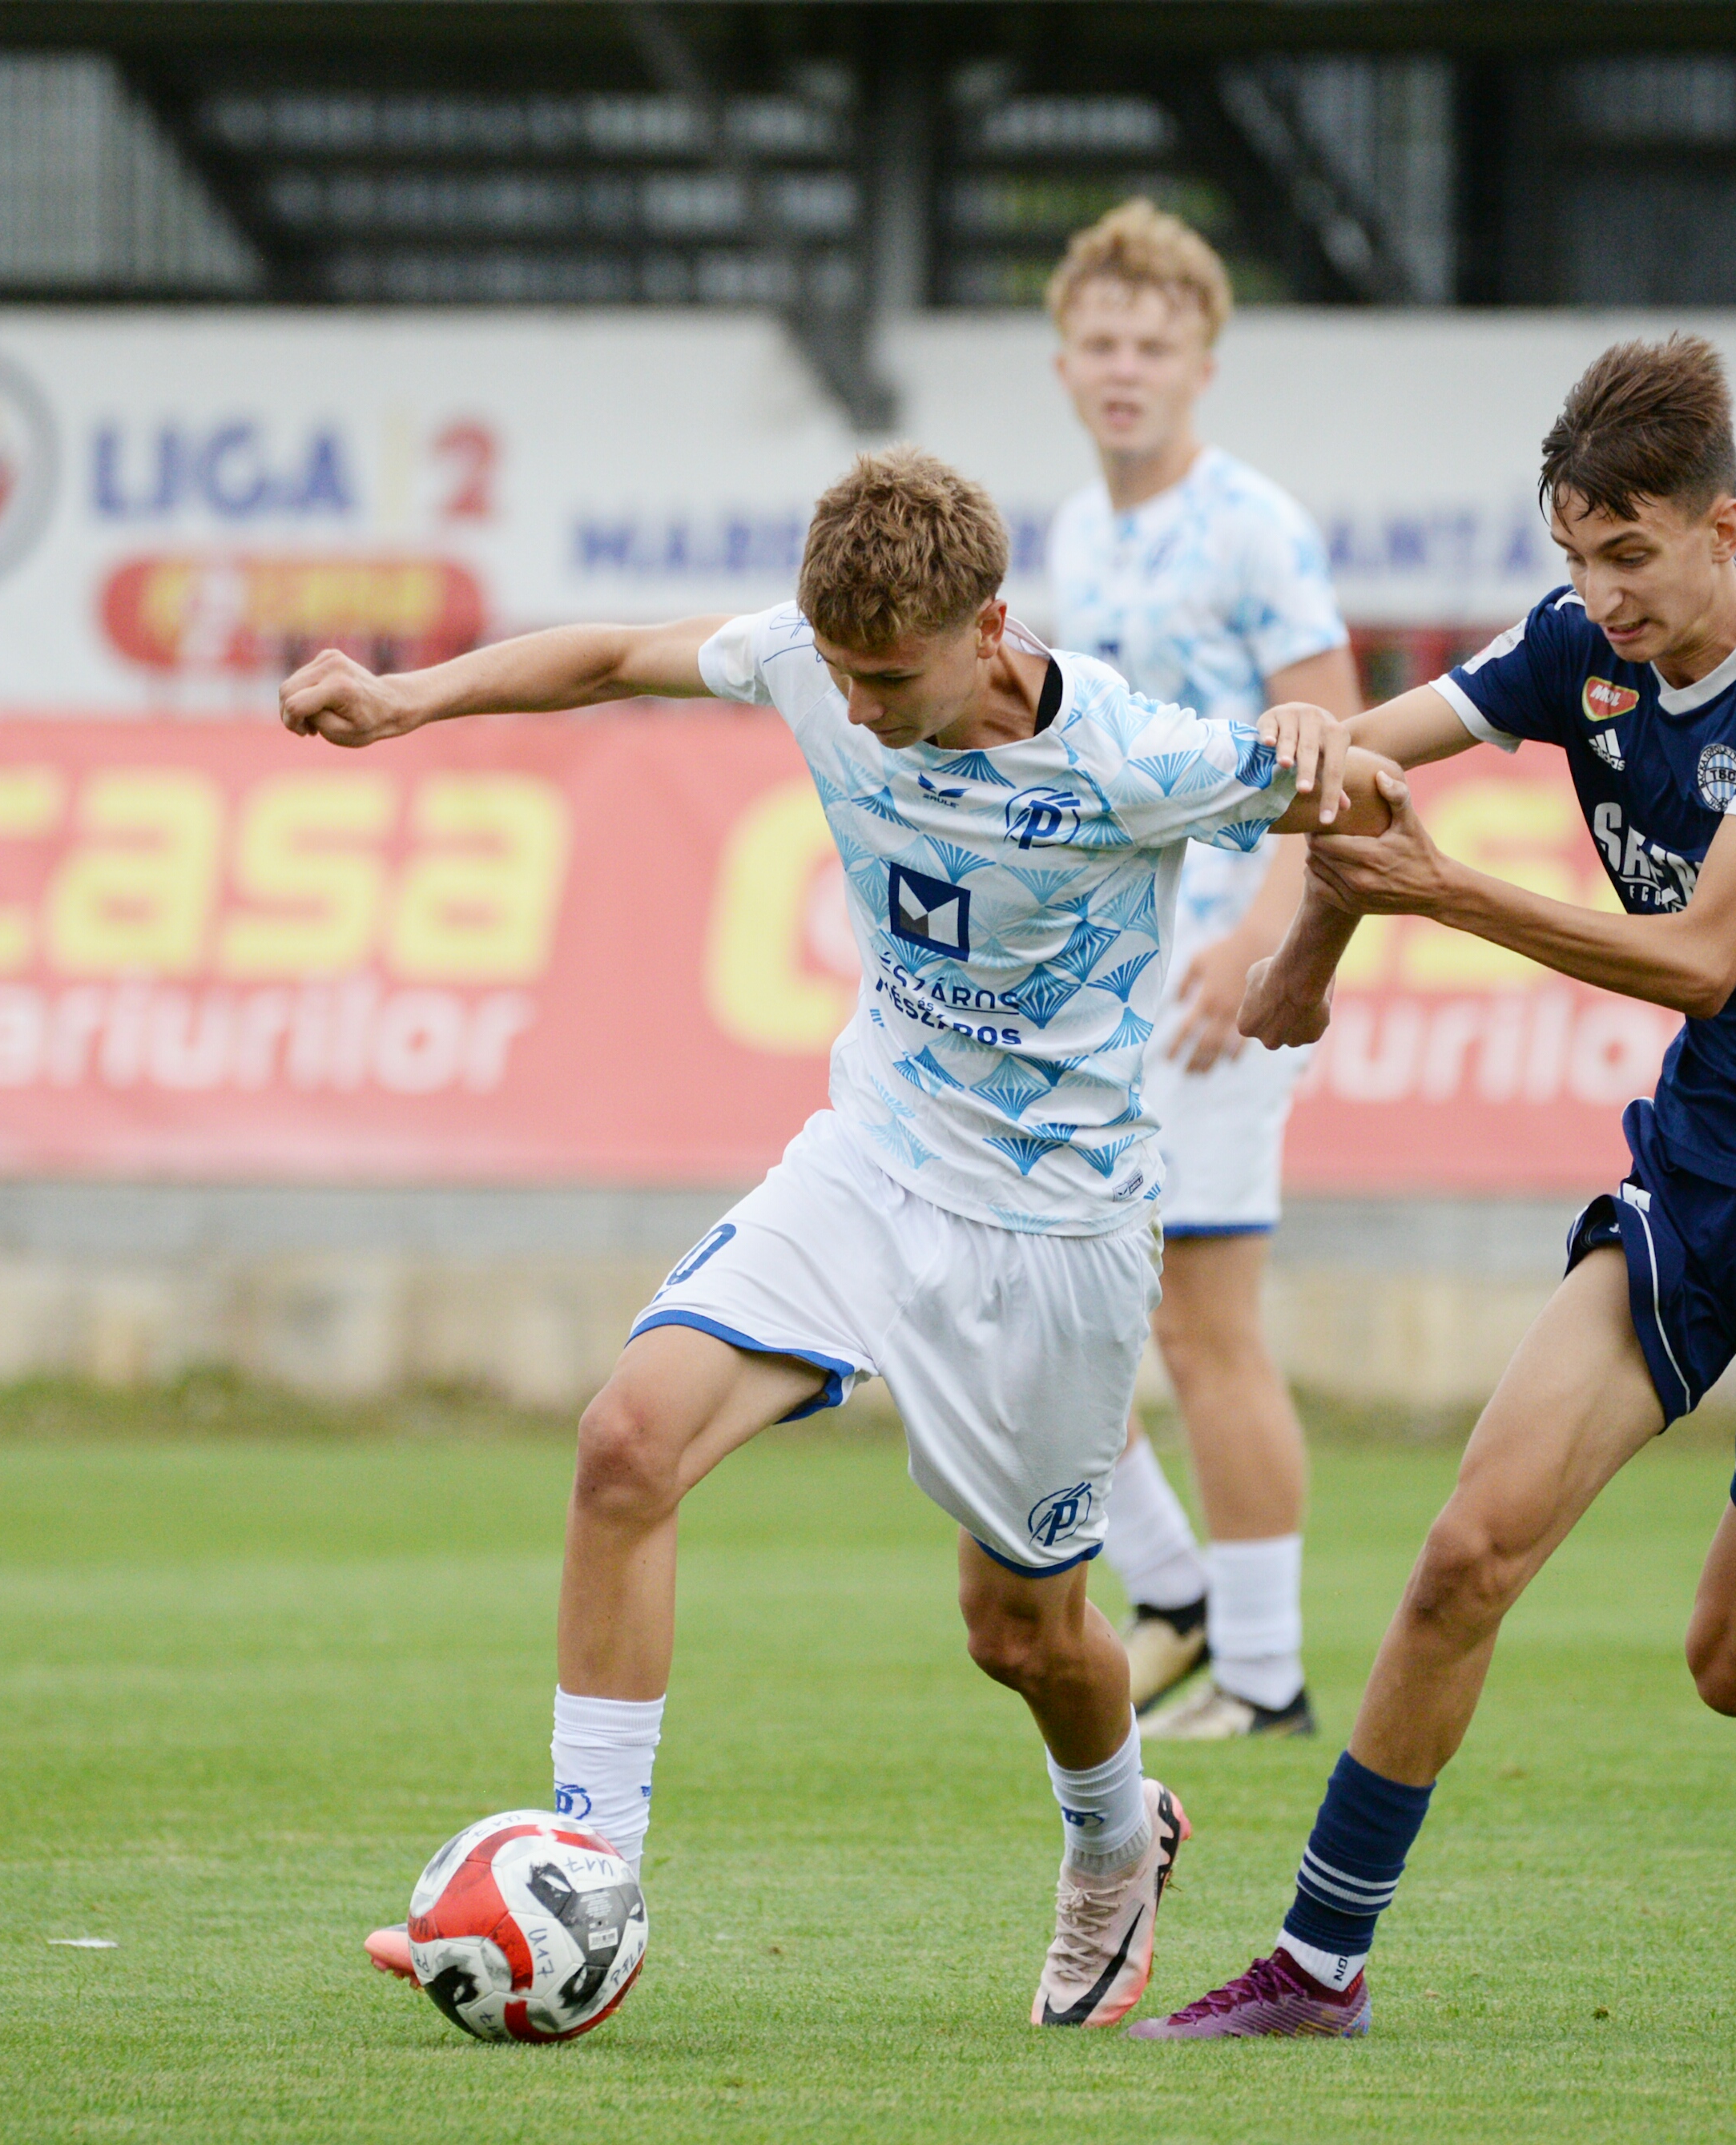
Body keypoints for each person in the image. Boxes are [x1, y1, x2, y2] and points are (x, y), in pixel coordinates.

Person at [278, 447, 1397, 2030]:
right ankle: (582, 1878)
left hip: (1059, 1238)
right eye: (843, 672)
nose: (856, 710)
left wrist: (1309, 916)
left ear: (991, 628)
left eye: (889, 678)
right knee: (624, 1444)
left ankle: (1111, 1837)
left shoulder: (1136, 752)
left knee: (1023, 1632)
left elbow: (1368, 799)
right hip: (873, 1161)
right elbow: (607, 655)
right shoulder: (811, 661)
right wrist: (407, 704)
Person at [1134, 337, 1736, 2041]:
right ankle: (1318, 1966)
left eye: (1633, 553)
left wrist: (1434, 894)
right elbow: (1361, 763)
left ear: (1727, 527)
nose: (1601, 594)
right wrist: (1296, 889)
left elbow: (1707, 957)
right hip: (1704, 1182)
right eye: (1575, 556)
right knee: (1463, 1555)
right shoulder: (1576, 650)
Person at [1041, 199, 1363, 1741]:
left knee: (1203, 1325)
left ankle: (1265, 1674)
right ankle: (1177, 1593)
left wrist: (1263, 938)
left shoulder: (1253, 526)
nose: (1124, 368)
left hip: (1225, 980)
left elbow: (1339, 755)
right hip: (1108, 976)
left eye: (1152, 343)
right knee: (1059, 1294)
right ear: (1061, 360)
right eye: (1099, 342)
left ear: (1202, 360)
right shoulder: (1071, 531)